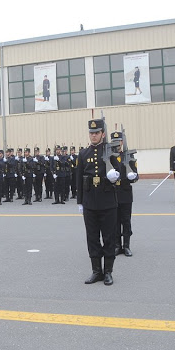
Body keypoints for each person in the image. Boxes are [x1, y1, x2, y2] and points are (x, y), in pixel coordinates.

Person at [77, 119, 121, 286]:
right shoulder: (83, 154)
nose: (93, 135)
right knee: (92, 238)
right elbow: (79, 179)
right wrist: (80, 202)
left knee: (109, 237)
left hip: (108, 201)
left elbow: (120, 172)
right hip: (90, 202)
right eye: (91, 133)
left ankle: (108, 271)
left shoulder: (111, 151)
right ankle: (97, 271)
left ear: (103, 134)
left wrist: (115, 176)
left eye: (96, 133)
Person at [110, 132, 139, 257]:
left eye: (119, 141)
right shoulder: (109, 156)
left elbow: (136, 175)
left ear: (122, 142)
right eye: (114, 141)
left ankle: (126, 246)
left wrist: (133, 177)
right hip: (113, 193)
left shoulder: (128, 156)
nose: (117, 144)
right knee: (115, 221)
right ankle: (117, 245)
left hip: (126, 193)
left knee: (126, 221)